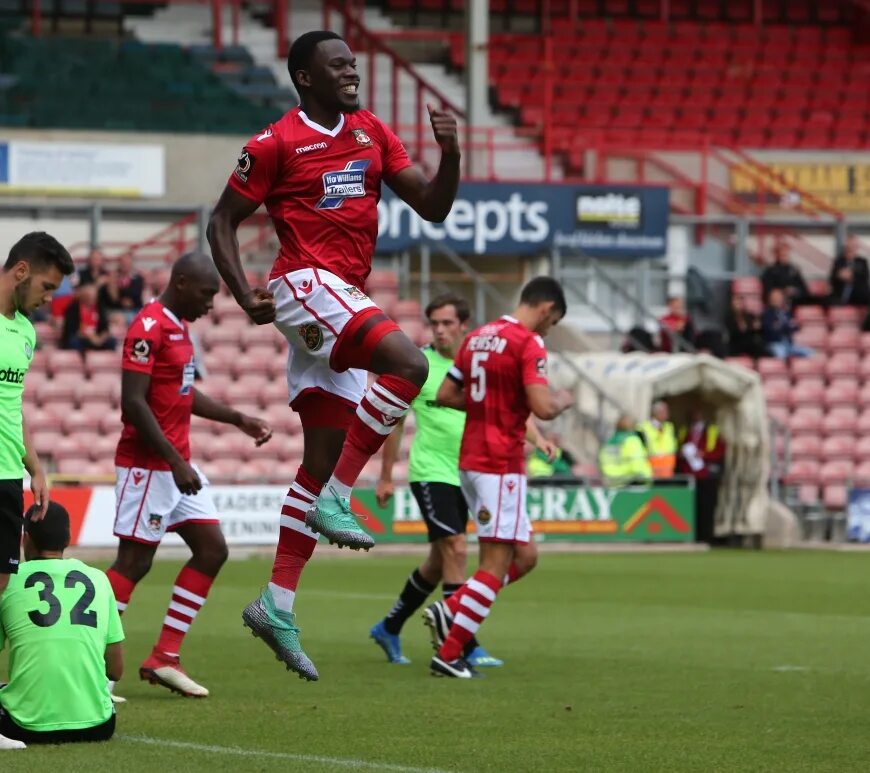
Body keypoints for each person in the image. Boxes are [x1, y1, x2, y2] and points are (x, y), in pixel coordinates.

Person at [207, 30, 460, 678]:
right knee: (410, 365)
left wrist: (450, 150)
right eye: (338, 64)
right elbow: (221, 221)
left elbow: (433, 206)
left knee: (316, 462)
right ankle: (339, 496)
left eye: (353, 62)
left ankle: (276, 604)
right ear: (305, 78)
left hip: (340, 295)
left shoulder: (372, 131)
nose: (352, 71)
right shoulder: (275, 143)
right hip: (303, 285)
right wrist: (241, 292)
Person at [104, 252, 272, 697]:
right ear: (180, 283)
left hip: (177, 464)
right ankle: (86, 662)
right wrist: (176, 462)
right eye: (206, 294)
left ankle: (165, 657)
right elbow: (133, 403)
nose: (211, 304)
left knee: (212, 549)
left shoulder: (179, 328)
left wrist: (237, 417)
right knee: (134, 562)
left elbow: (181, 393)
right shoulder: (148, 327)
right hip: (148, 465)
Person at [370, 293, 546, 668]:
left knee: (442, 560)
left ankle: (390, 626)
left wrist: (538, 438)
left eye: (447, 323)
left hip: (476, 471)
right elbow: (395, 423)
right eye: (434, 323)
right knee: (456, 547)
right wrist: (385, 476)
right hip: (433, 472)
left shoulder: (481, 357)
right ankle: (461, 644)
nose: (440, 330)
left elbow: (509, 402)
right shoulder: (418, 364)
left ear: (463, 325)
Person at [423, 277, 574, 678]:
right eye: (552, 320)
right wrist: (562, 402)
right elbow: (541, 408)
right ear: (545, 309)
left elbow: (444, 395)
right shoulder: (528, 343)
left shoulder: (477, 338)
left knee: (526, 556)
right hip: (499, 464)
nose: (549, 329)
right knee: (493, 564)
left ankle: (452, 609)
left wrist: (488, 406)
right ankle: (450, 654)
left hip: (471, 461)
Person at [0, 231, 74, 751]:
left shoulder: (24, 332)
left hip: (6, 476)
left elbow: (13, 406)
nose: (50, 299)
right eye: (47, 286)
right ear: (21, 271)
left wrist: (35, 465)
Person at [0, 503, 123, 747]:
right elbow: (115, 671)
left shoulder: (8, 581)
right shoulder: (99, 578)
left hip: (24, 726)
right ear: (68, 538)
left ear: (25, 538)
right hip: (99, 725)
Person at [677, 410, 726, 543]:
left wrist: (705, 454)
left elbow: (720, 450)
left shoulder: (712, 431)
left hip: (706, 475)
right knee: (689, 507)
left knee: (706, 507)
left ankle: (706, 536)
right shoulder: (684, 431)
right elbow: (678, 447)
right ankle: (690, 535)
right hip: (688, 475)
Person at [598, 414, 653, 487]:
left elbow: (603, 462)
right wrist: (646, 478)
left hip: (611, 484)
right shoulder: (632, 440)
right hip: (631, 484)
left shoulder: (609, 441)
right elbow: (638, 465)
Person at [60, 283, 116, 352]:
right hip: (81, 337)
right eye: (90, 296)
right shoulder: (73, 308)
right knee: (73, 342)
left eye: (94, 296)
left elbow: (105, 328)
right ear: (83, 296)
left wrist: (100, 339)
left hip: (97, 337)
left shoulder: (100, 307)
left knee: (112, 341)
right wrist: (90, 337)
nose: (93, 299)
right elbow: (72, 330)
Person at [761, 288, 814, 359]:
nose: (778, 299)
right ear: (770, 299)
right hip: (775, 344)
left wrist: (783, 326)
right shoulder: (767, 314)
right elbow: (770, 330)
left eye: (779, 297)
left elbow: (795, 327)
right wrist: (785, 326)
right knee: (781, 354)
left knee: (810, 353)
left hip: (789, 343)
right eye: (775, 297)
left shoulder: (786, 313)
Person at [761, 238, 808, 306]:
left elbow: (804, 289)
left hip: (796, 300)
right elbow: (768, 290)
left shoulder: (794, 269)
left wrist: (795, 291)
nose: (784, 255)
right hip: (779, 301)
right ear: (777, 255)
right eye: (782, 253)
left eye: (786, 253)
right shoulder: (770, 271)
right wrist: (784, 291)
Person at [99, 253, 145, 322]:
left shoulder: (138, 278)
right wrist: (121, 300)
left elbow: (135, 295)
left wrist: (120, 294)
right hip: (115, 310)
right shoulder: (112, 277)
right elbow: (111, 298)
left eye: (127, 262)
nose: (125, 264)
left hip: (134, 310)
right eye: (123, 262)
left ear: (132, 263)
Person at [638, 401, 677, 479]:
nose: (667, 413)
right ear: (656, 412)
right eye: (664, 411)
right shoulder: (643, 427)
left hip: (667, 470)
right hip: (651, 470)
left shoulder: (669, 427)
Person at [829, 234, 870, 306]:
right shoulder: (839, 262)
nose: (850, 249)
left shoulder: (862, 262)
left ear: (856, 247)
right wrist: (839, 276)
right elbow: (832, 279)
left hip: (858, 295)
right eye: (848, 247)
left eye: (853, 246)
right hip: (840, 295)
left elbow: (864, 278)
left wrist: (851, 276)